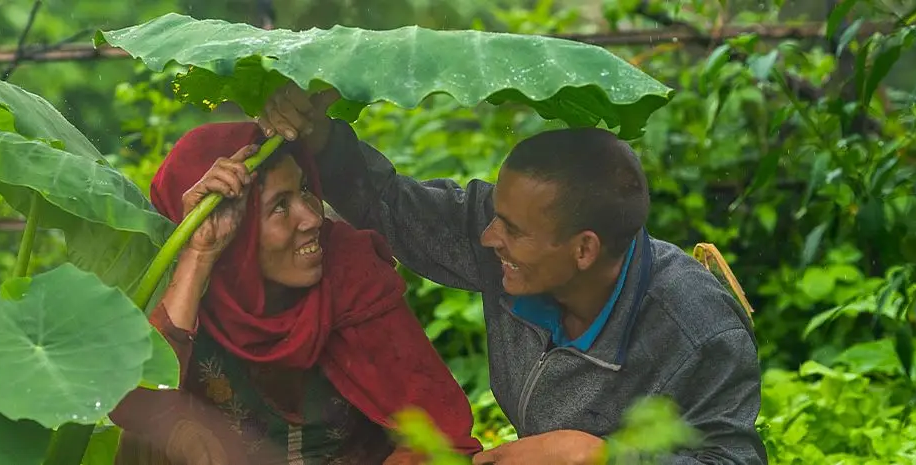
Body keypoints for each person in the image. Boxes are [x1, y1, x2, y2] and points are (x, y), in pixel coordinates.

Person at [253, 85, 766, 465]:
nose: (487, 237)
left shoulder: (696, 328)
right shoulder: (505, 242)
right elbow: (392, 206)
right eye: (495, 214)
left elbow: (734, 459)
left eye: (512, 229)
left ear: (584, 249)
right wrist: (322, 140)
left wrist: (595, 455)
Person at [107, 121, 483, 465]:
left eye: (304, 189)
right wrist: (200, 254)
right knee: (146, 442)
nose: (313, 218)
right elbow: (131, 402)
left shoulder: (349, 271)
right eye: (280, 206)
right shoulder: (185, 293)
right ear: (236, 231)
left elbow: (438, 435)